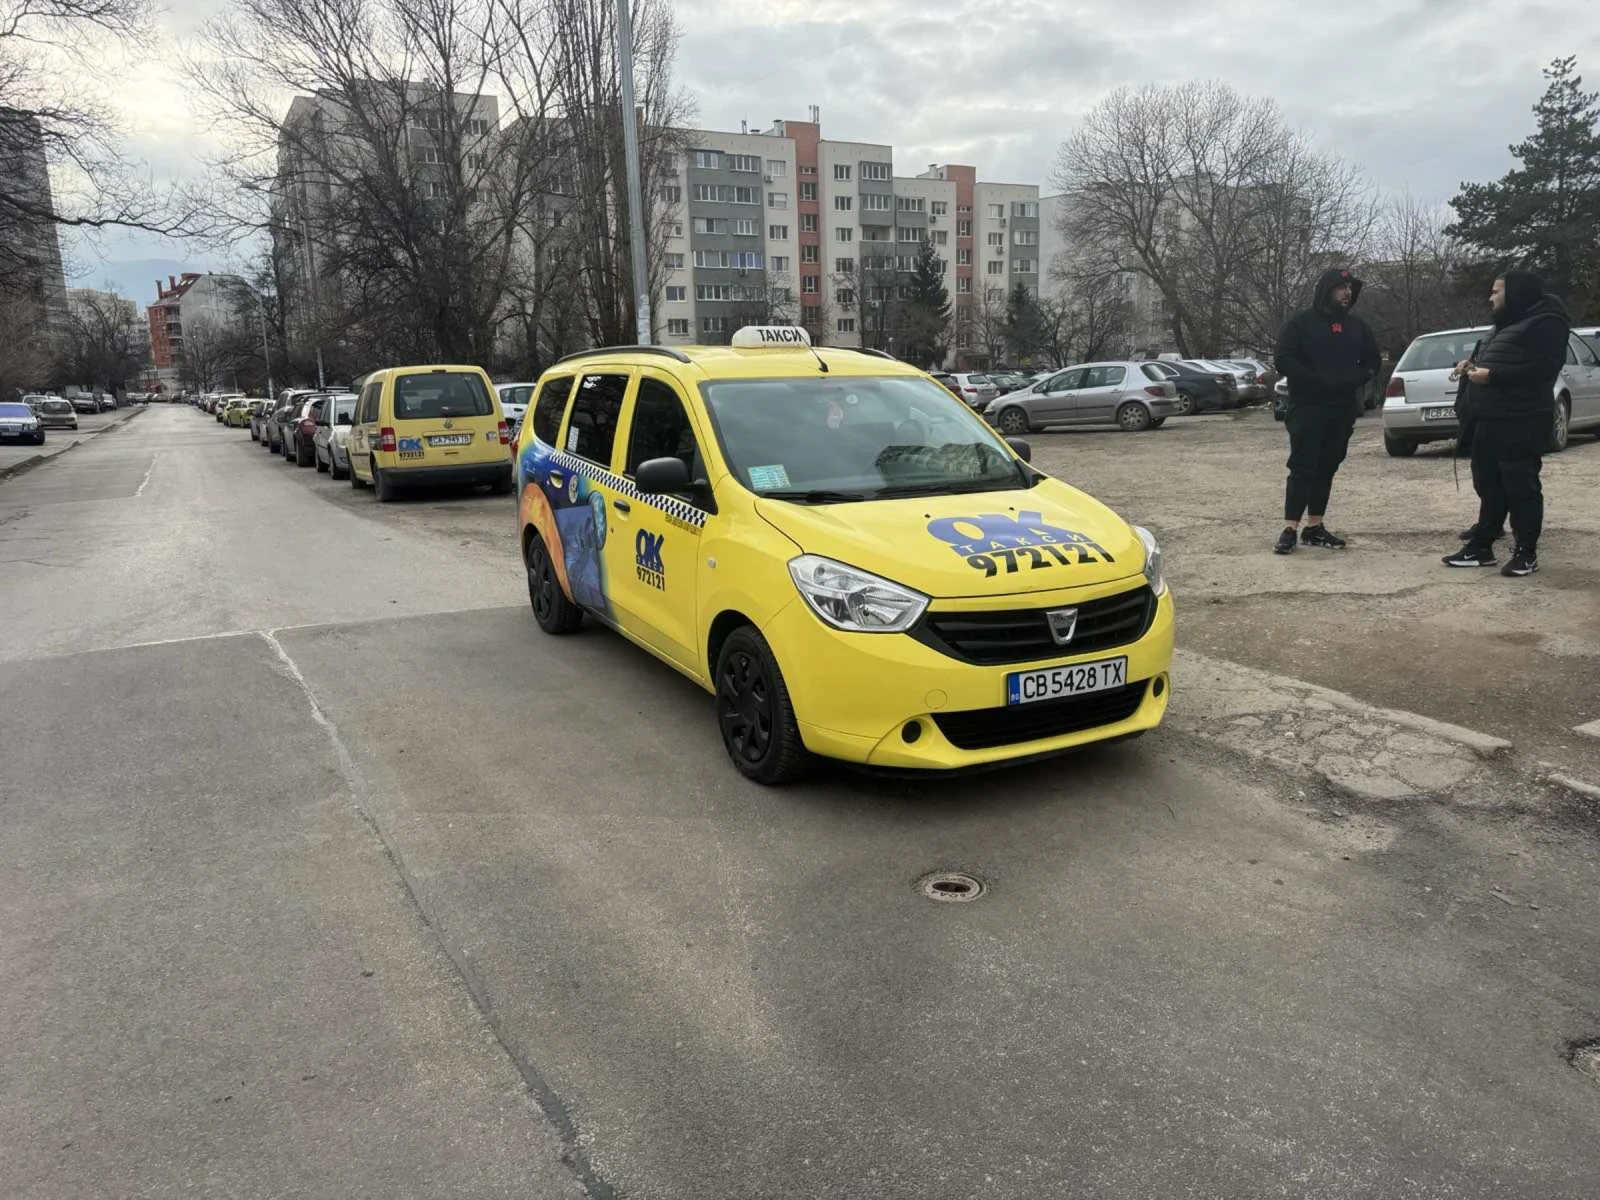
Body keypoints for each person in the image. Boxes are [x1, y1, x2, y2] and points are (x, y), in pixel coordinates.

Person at [1442, 271, 1569, 577]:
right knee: (1490, 485)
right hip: (1489, 417)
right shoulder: (1504, 325)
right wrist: (1471, 367)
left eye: (1497, 291)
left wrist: (1493, 376)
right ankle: (1481, 547)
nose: (1491, 297)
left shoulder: (1547, 324)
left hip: (1521, 419)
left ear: (1517, 294)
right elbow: (1497, 360)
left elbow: (1543, 370)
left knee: (1520, 485)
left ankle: (1526, 552)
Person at [1272, 267, 1382, 554]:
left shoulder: (1357, 327)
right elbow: (1283, 359)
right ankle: (1289, 528)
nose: (1347, 293)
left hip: (1342, 407)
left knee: (1327, 466)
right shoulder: (1301, 324)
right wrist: (1315, 380)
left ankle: (1314, 527)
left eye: (1350, 289)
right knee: (1303, 466)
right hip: (1307, 405)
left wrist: (1357, 378)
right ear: (1326, 290)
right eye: (1340, 287)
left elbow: (1373, 360)